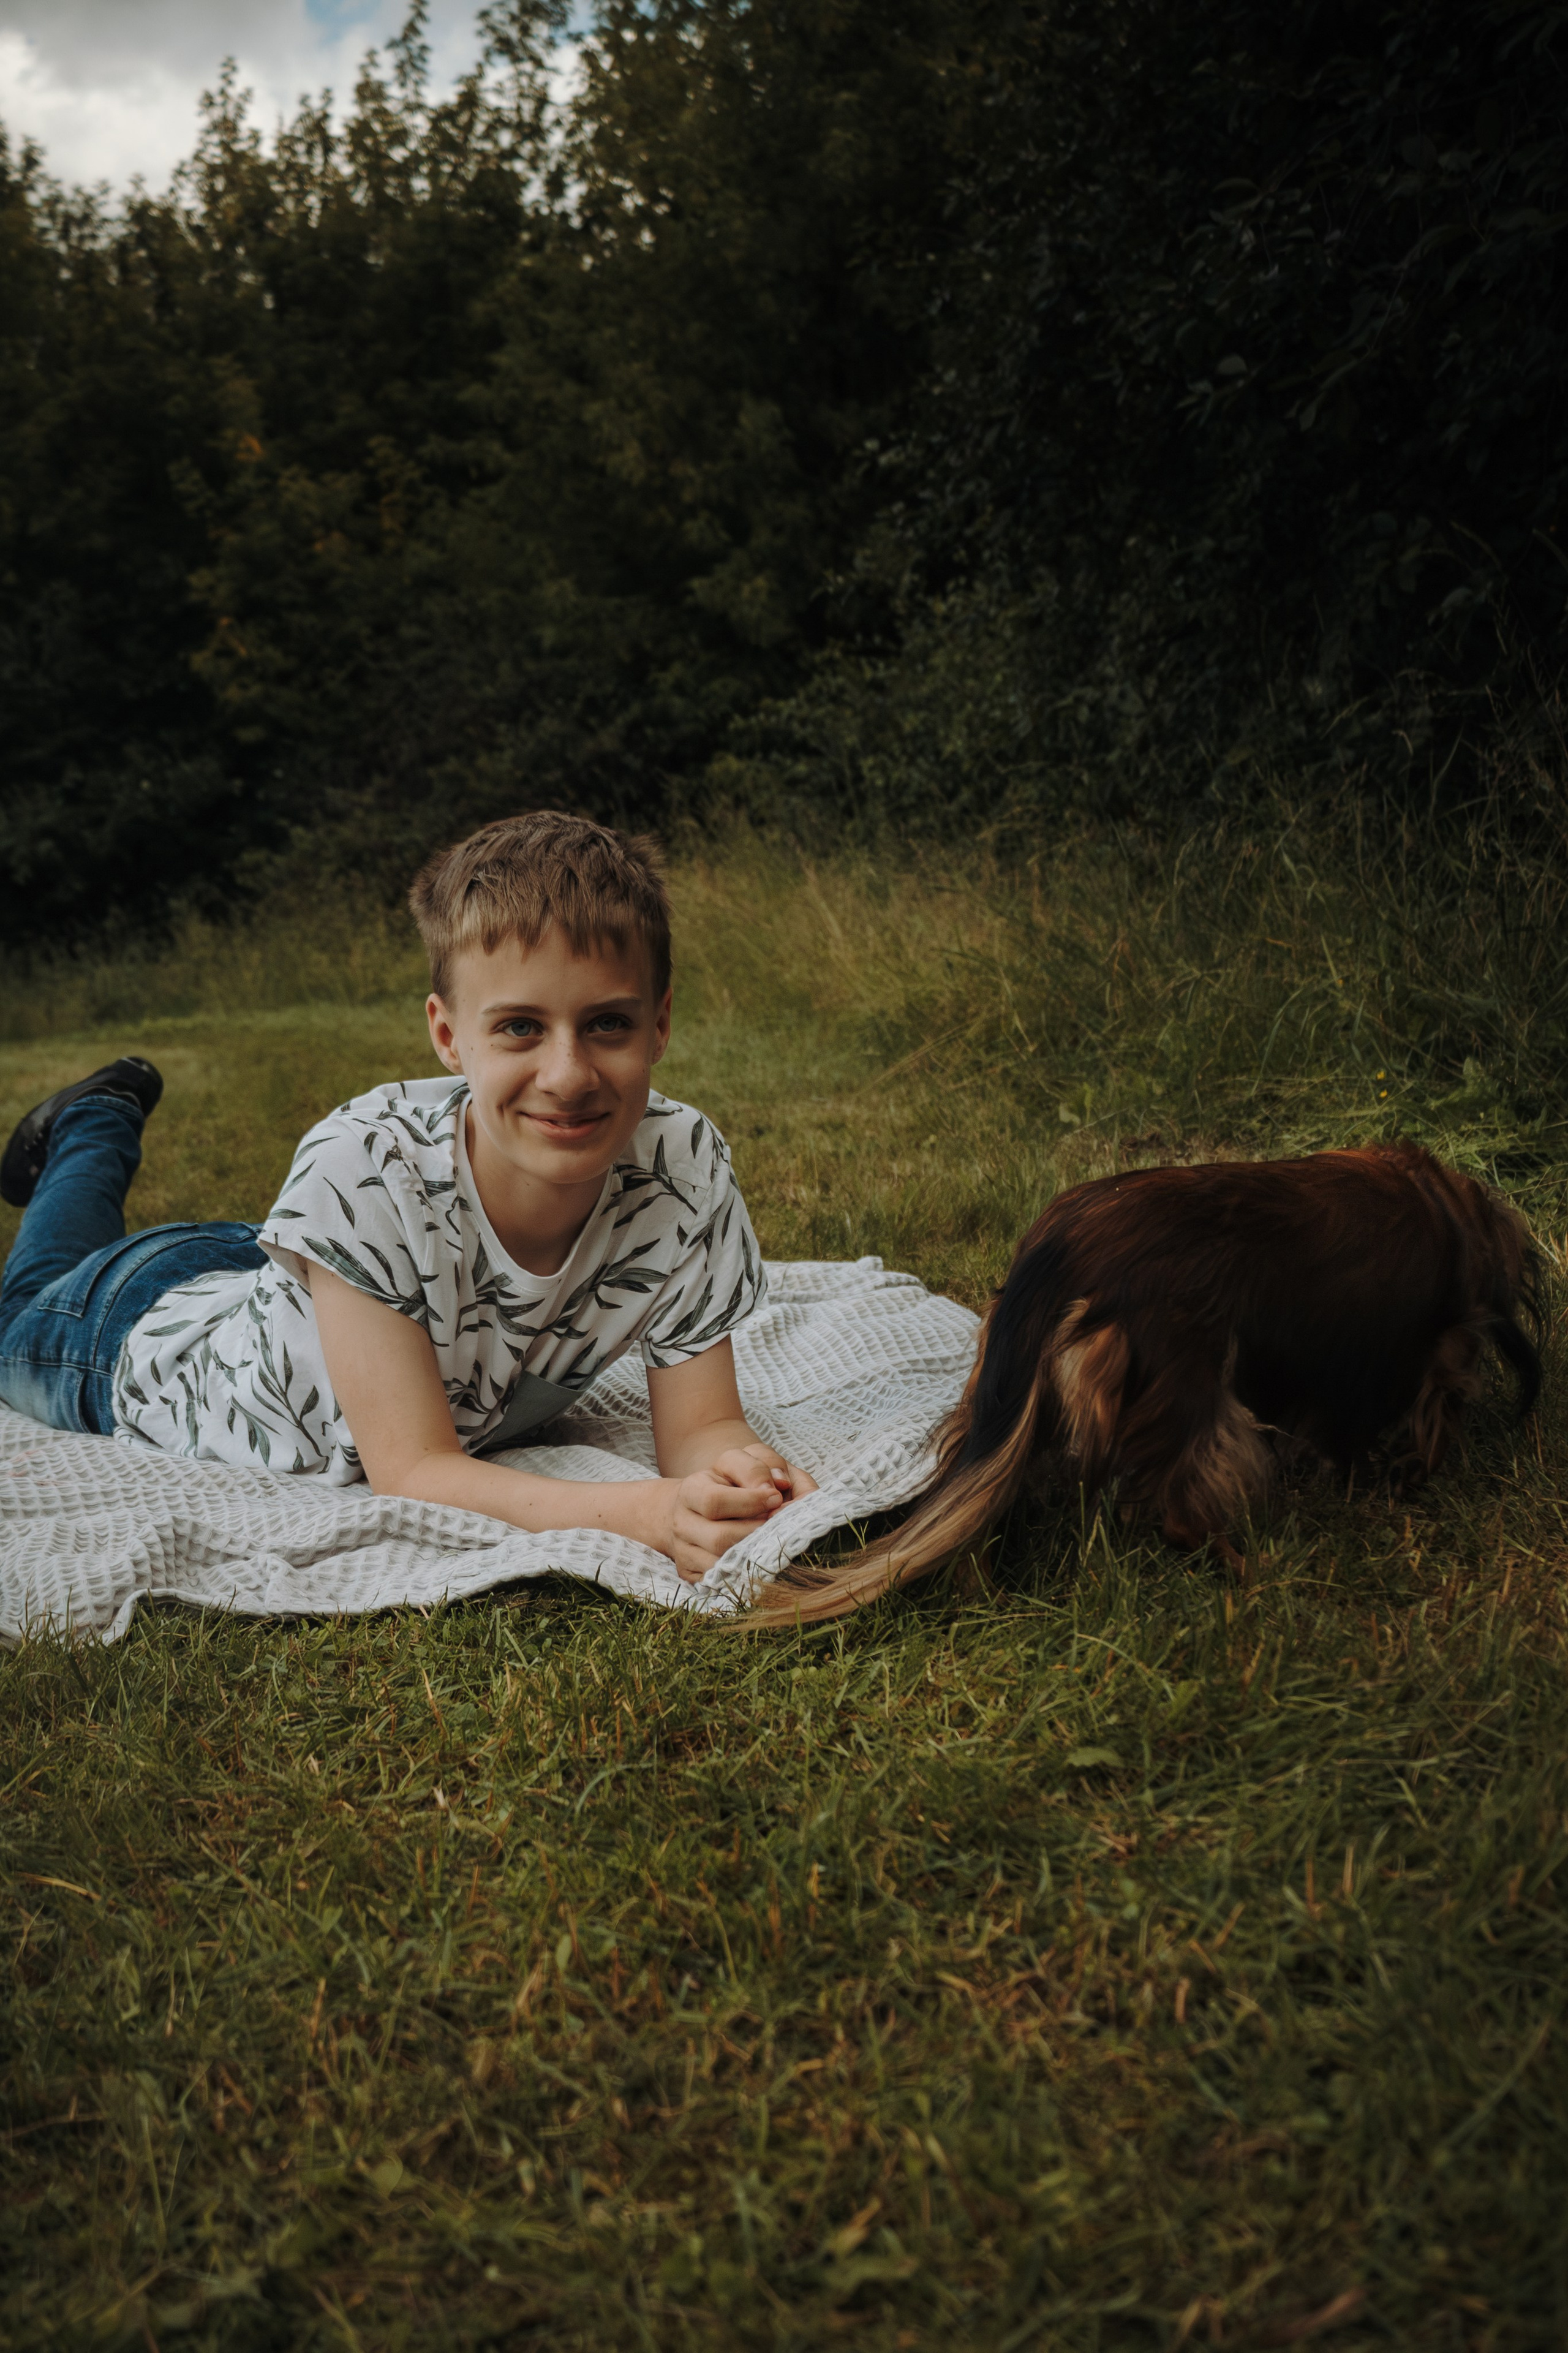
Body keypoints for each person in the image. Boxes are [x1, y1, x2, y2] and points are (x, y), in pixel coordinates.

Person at [0, 811, 816, 1584]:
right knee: (26, 1305)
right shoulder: (362, 1165)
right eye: (520, 1028)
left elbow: (703, 1426)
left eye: (607, 1023)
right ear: (447, 1034)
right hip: (131, 1334)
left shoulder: (683, 1166)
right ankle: (98, 1119)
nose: (568, 1075)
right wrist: (650, 1513)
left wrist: (740, 1481)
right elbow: (416, 1470)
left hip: (325, 1282)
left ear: (661, 1023)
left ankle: (101, 1131)